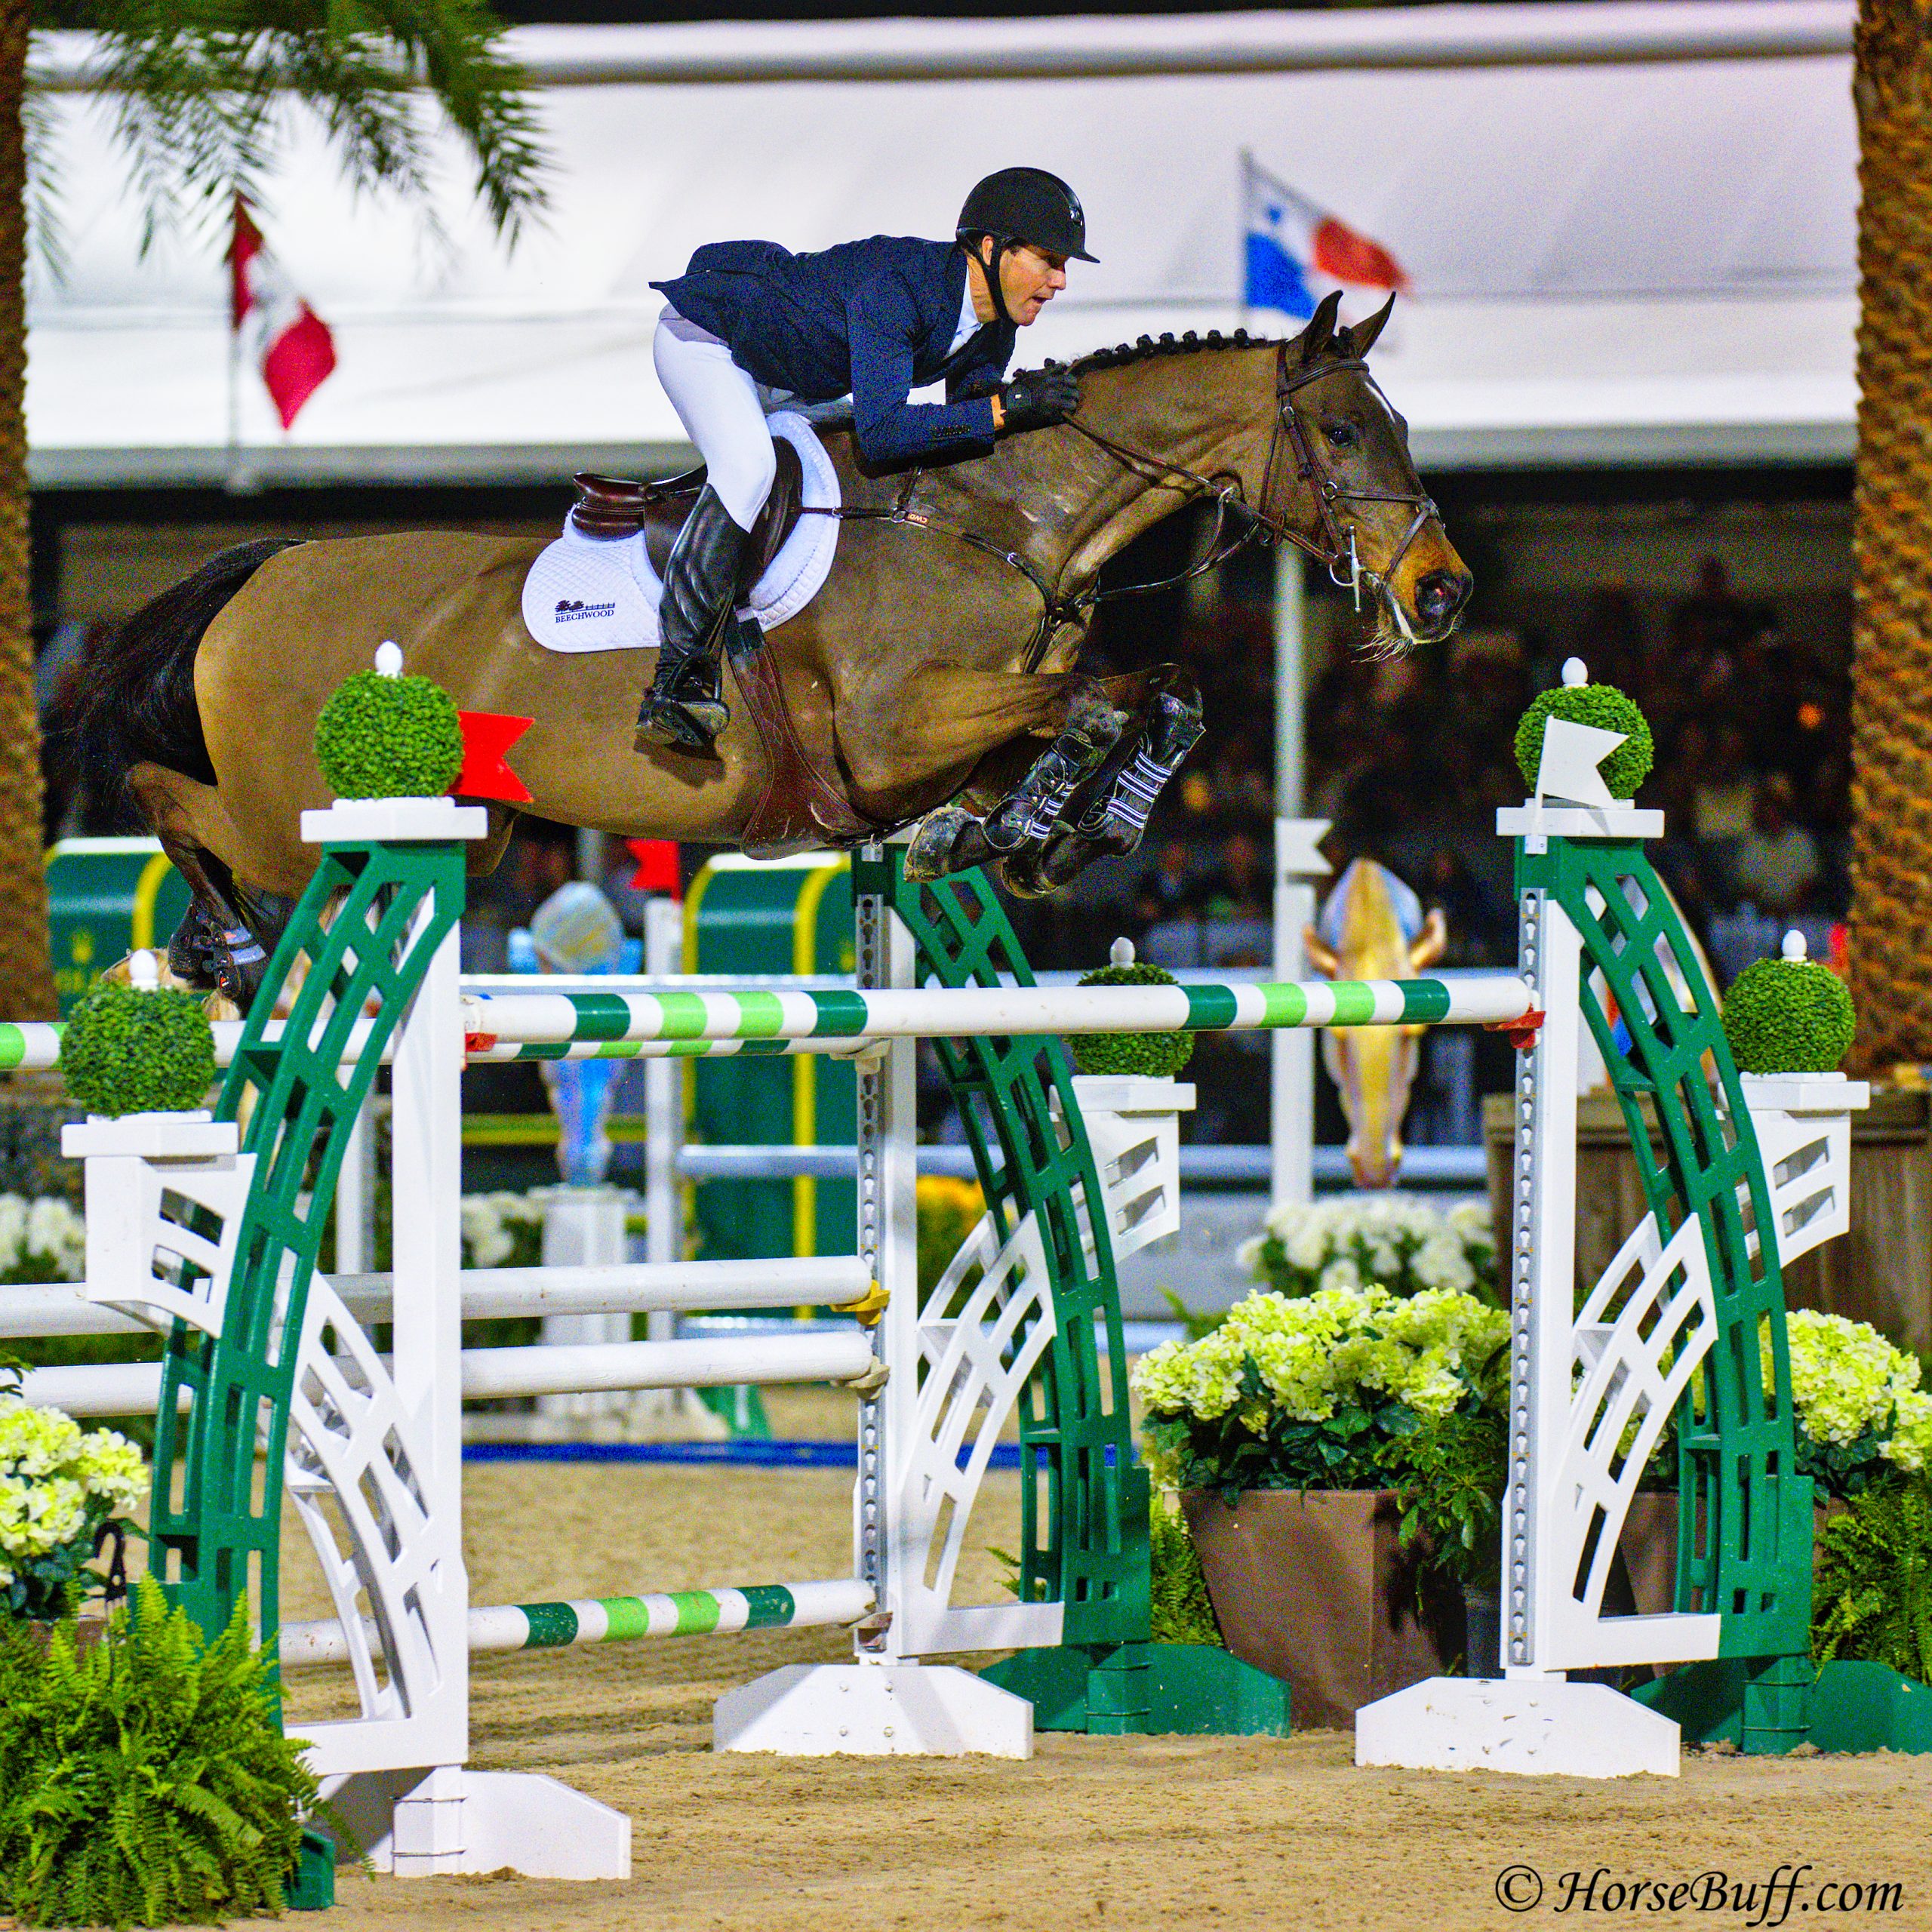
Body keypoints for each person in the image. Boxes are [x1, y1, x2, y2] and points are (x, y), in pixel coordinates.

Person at [637, 167, 1095, 755]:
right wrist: (1006, 410)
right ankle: (677, 679)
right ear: (990, 248)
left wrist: (1021, 409)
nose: (1059, 282)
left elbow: (972, 416)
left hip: (791, 376)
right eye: (1050, 261)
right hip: (711, 338)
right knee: (749, 468)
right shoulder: (899, 286)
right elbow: (883, 435)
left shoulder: (994, 324)